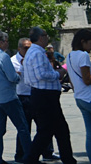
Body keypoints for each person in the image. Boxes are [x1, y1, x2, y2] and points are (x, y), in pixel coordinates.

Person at [24, 26, 76, 164]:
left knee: (58, 130)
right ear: (41, 37)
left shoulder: (32, 52)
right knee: (48, 131)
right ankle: (31, 159)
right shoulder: (38, 53)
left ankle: (67, 158)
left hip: (41, 95)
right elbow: (42, 74)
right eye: (46, 35)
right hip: (45, 96)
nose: (48, 38)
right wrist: (58, 74)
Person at [0, 31, 32, 164]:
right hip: (9, 97)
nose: (7, 44)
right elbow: (12, 77)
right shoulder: (3, 56)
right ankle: (29, 156)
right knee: (22, 127)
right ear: (2, 42)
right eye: (6, 41)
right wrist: (18, 76)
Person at [13, 38, 56, 162]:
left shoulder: (33, 58)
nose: (28, 50)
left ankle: (47, 152)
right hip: (23, 96)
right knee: (24, 127)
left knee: (44, 125)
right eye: (25, 47)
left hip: (36, 95)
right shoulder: (12, 61)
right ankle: (20, 155)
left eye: (30, 47)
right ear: (19, 48)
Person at [65, 28, 91, 160]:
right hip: (89, 97)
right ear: (83, 42)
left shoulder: (69, 56)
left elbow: (71, 80)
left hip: (79, 97)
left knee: (89, 133)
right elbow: (87, 80)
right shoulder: (83, 55)